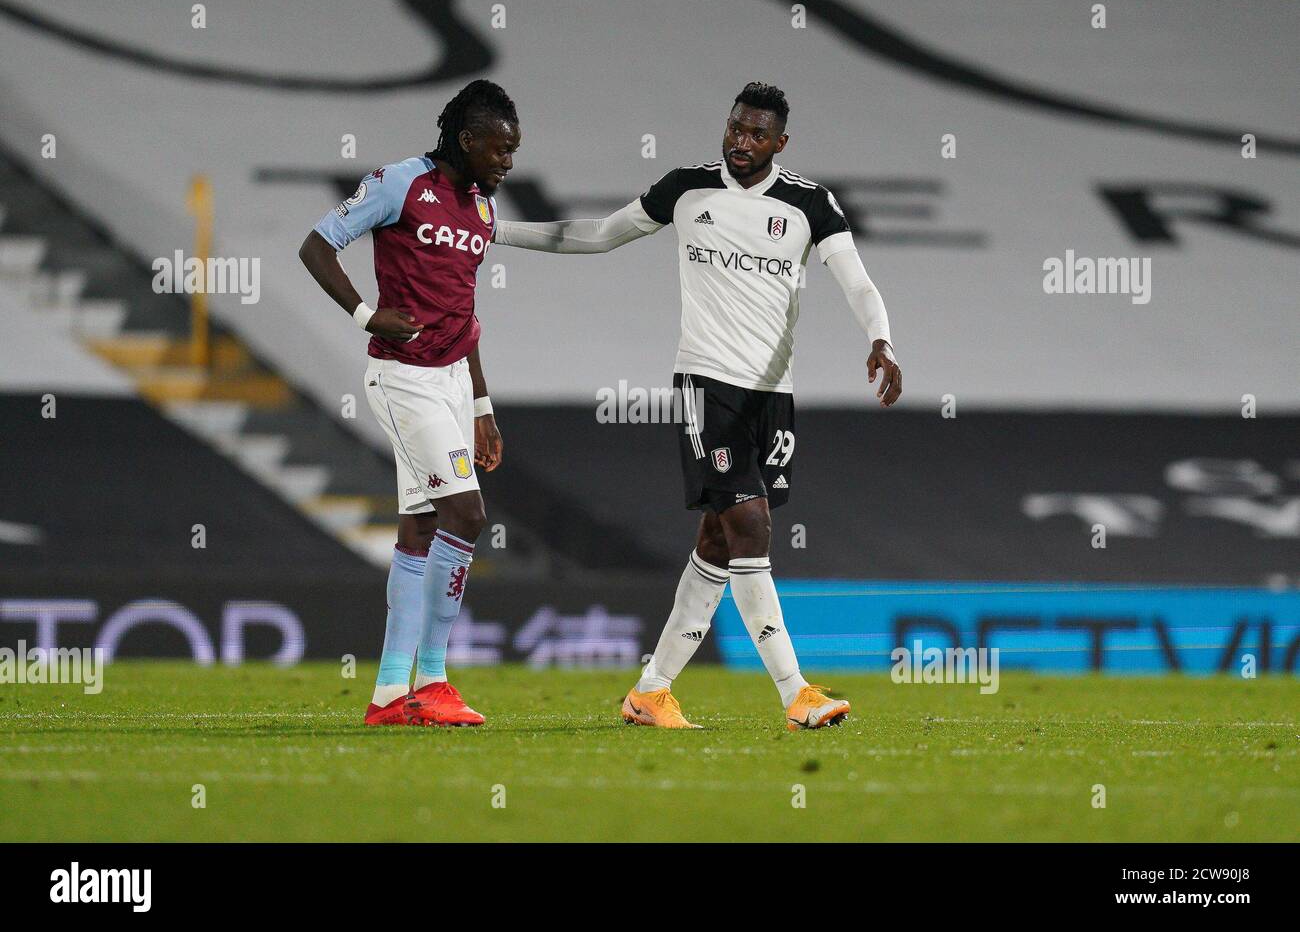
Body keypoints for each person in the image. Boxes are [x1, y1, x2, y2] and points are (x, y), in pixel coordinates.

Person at [493, 83, 901, 730]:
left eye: (756, 134)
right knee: (752, 526)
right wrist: (494, 228)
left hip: (772, 396)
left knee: (717, 539)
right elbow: (595, 235)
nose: (742, 142)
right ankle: (797, 693)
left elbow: (856, 279)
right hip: (706, 388)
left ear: (780, 143)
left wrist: (880, 338)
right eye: (735, 128)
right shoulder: (686, 188)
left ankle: (650, 693)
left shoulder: (807, 204)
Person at [298, 80, 519, 726]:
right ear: (469, 141)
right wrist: (367, 315)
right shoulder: (400, 184)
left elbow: (465, 311)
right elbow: (316, 245)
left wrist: (481, 404)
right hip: (404, 377)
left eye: (514, 151)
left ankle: (391, 695)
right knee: (468, 513)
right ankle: (435, 680)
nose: (508, 162)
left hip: (452, 379)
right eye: (501, 150)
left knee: (421, 527)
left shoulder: (481, 209)